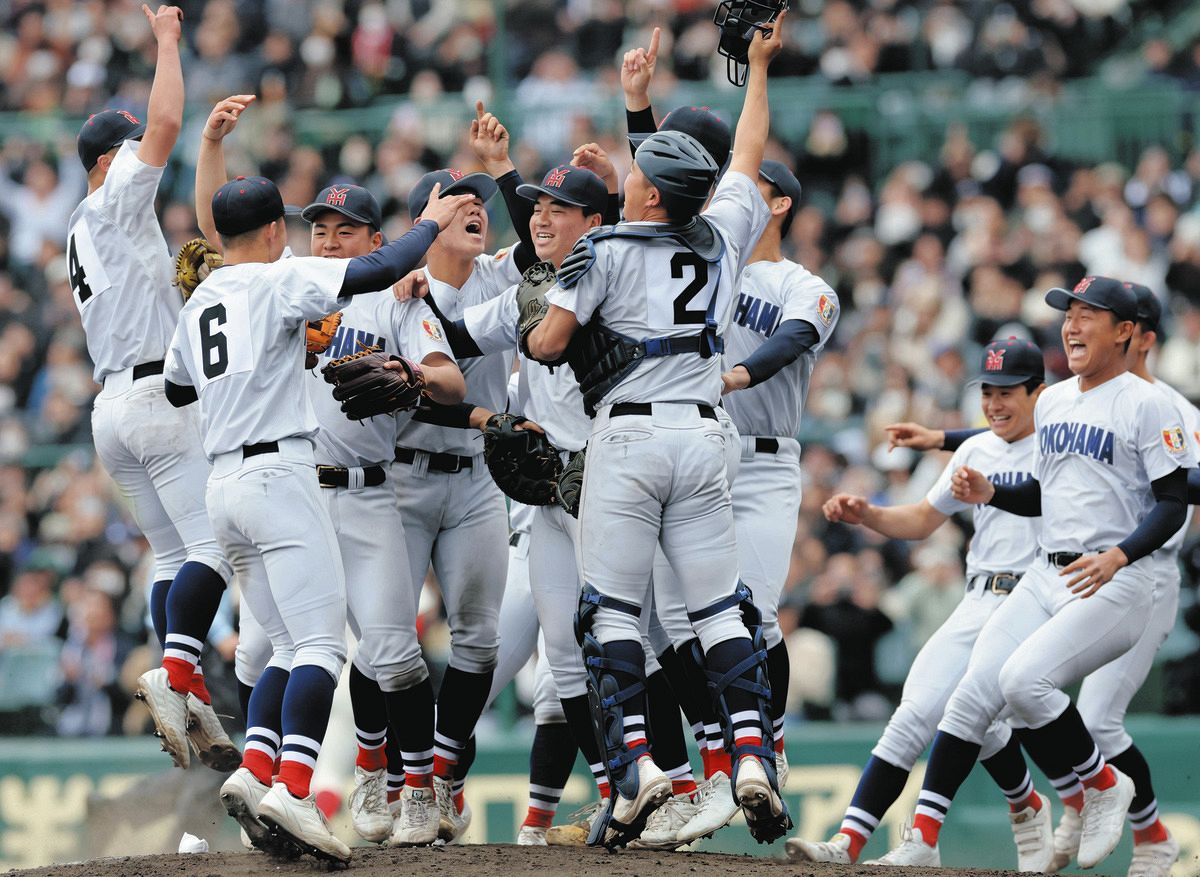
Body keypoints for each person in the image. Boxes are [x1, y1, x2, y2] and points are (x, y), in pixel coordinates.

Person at [164, 127, 473, 862]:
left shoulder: (204, 294)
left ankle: (258, 766)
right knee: (321, 645)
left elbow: (179, 386)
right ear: (275, 231)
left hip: (222, 486)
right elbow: (387, 262)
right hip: (279, 477)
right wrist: (429, 219)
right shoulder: (279, 278)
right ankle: (295, 788)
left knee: (271, 645)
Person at [525, 14, 787, 848]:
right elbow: (747, 154)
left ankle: (635, 773)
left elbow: (550, 343)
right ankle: (750, 755)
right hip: (708, 435)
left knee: (610, 615)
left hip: (629, 440)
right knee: (717, 611)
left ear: (643, 191)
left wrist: (550, 323)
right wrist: (758, 65)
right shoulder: (725, 237)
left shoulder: (597, 252)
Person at [874, 277, 1192, 871]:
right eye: (1068, 313)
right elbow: (1041, 490)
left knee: (1024, 684)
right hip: (1047, 575)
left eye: (1088, 314)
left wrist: (1121, 554)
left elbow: (1174, 501)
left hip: (1116, 578)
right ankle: (921, 839)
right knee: (971, 697)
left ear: (1126, 331)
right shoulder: (1054, 400)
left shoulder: (1149, 403)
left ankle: (1100, 787)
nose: (1071, 324)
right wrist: (993, 489)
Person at [787, 337, 1055, 870]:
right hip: (978, 594)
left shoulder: (1058, 445)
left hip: (1035, 599)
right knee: (915, 715)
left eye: (1008, 393)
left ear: (1038, 394)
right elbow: (920, 519)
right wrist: (868, 515)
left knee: (965, 710)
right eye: (989, 392)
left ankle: (926, 840)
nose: (995, 403)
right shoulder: (977, 448)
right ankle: (849, 843)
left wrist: (940, 440)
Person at [67, 3, 237, 773]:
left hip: (113, 405)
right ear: (105, 160)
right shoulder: (110, 199)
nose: (140, 150)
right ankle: (175, 675)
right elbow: (166, 124)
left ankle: (188, 680)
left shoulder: (79, 224)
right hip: (157, 396)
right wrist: (168, 38)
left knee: (171, 556)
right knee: (213, 547)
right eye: (126, 146)